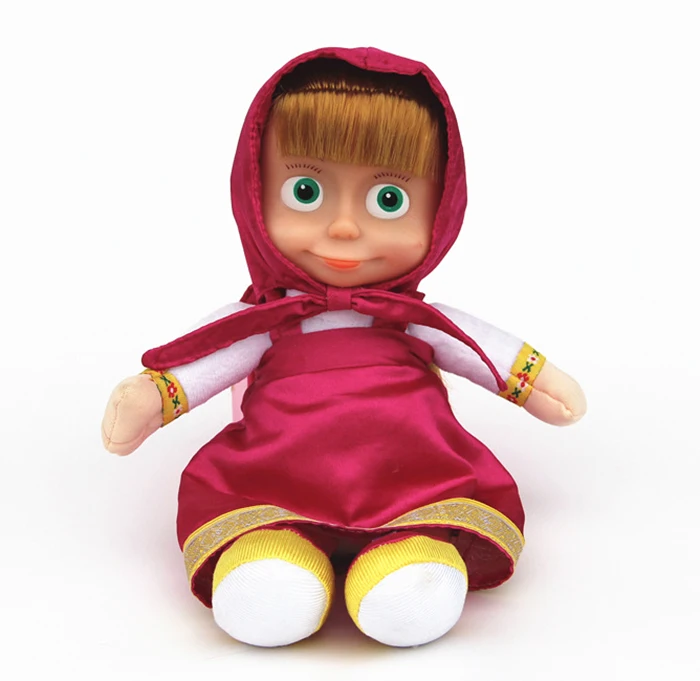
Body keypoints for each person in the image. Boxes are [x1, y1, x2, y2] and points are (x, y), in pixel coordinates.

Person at [102, 47, 586, 649]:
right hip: (275, 475)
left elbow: (496, 357)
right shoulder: (265, 320)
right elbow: (198, 364)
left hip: (413, 477)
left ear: (441, 206)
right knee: (267, 574)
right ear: (255, 192)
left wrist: (542, 385)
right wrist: (151, 397)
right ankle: (272, 561)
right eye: (306, 191)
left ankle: (407, 564)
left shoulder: (415, 321)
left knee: (411, 581)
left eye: (390, 200)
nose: (345, 227)